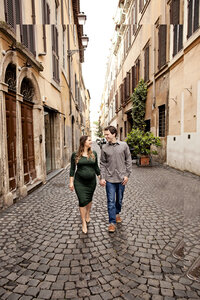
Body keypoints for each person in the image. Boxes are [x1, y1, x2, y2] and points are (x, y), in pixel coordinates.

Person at [100, 126, 132, 233]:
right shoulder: (104, 148)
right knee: (110, 201)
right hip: (109, 179)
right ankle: (112, 222)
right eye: (105, 135)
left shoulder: (124, 145)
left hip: (122, 178)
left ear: (114, 134)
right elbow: (103, 164)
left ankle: (117, 213)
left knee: (119, 199)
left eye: (107, 134)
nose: (106, 137)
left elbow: (128, 160)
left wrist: (127, 175)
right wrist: (102, 177)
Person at [69, 135, 100, 234]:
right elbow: (72, 169)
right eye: (89, 140)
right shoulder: (75, 155)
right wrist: (71, 182)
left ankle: (88, 214)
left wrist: (100, 179)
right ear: (84, 142)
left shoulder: (93, 153)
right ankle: (83, 222)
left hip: (91, 182)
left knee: (89, 199)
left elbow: (96, 167)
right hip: (79, 182)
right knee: (82, 201)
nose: (91, 142)